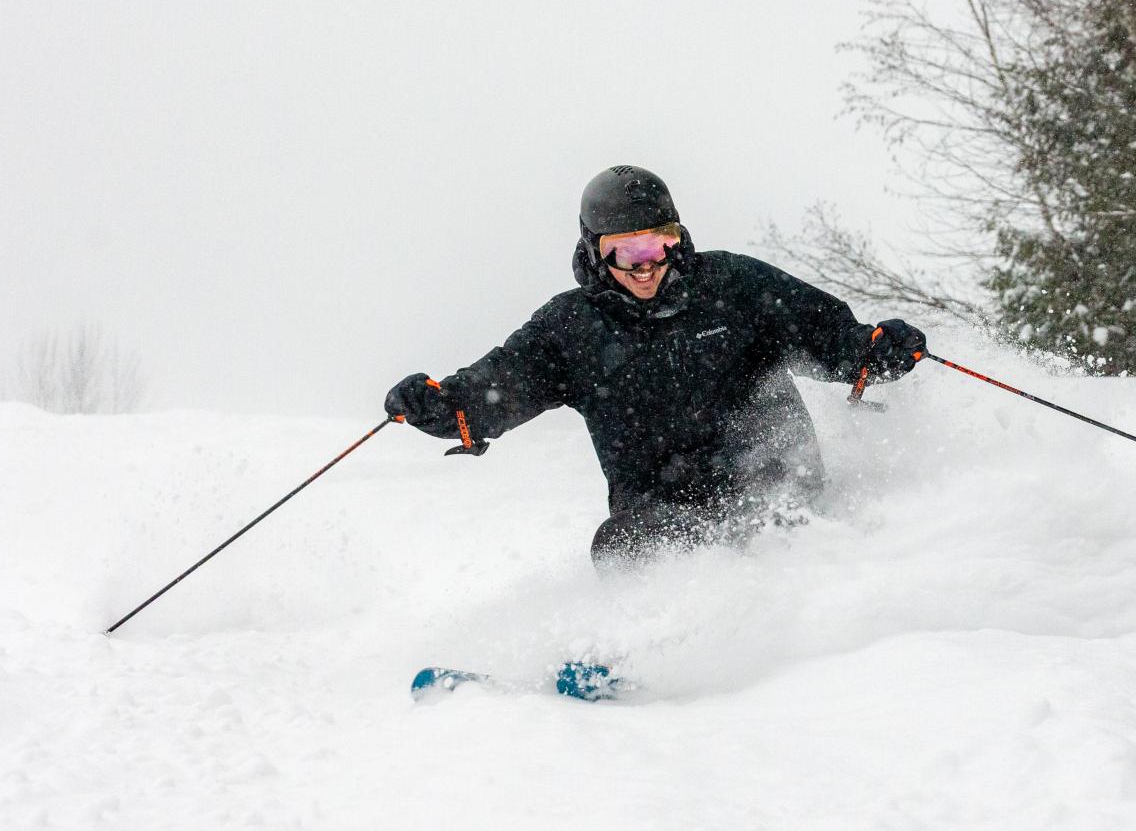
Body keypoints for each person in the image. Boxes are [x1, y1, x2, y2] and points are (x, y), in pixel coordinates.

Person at [385, 165, 926, 567]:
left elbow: (829, 337)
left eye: (658, 246)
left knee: (771, 526)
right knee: (620, 545)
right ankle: (653, 652)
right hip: (659, 507)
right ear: (596, 252)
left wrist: (874, 350)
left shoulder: (734, 286)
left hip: (776, 485)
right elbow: (497, 389)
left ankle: (805, 619)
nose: (646, 266)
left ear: (678, 238)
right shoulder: (571, 329)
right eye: (626, 252)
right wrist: (442, 404)